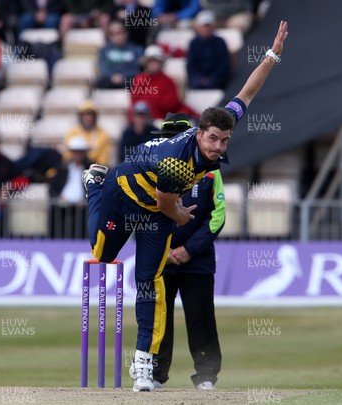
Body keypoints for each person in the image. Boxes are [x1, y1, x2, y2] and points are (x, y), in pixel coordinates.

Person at [82, 20, 288, 392]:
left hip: (155, 211)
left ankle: (143, 368)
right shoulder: (180, 160)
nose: (219, 147)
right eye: (214, 140)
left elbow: (247, 93)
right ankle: (93, 184)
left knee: (149, 284)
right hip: (123, 194)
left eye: (224, 141)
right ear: (199, 133)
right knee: (101, 254)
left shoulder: (216, 126)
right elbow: (167, 203)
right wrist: (180, 214)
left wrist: (272, 55)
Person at [149, 114, 225, 390]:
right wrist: (165, 248)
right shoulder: (152, 167)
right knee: (158, 317)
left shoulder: (210, 170)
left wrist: (188, 250)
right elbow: (143, 215)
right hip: (160, 259)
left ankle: (206, 375)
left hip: (198, 260)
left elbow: (217, 217)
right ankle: (155, 375)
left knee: (201, 317)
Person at [129, 45, 197, 120]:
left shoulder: (168, 81)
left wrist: (153, 105)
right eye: (150, 61)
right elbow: (134, 102)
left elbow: (173, 104)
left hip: (163, 119)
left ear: (161, 63)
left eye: (156, 61)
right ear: (146, 63)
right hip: (143, 118)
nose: (153, 64)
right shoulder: (139, 79)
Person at [187, 10, 230, 90]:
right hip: (198, 80)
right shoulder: (193, 43)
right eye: (204, 26)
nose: (206, 29)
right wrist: (199, 78)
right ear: (198, 27)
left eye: (208, 26)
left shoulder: (220, 42)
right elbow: (191, 65)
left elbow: (224, 64)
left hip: (217, 79)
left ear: (213, 26)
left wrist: (213, 78)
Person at [96, 20, 143, 89]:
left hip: (128, 80)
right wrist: (112, 76)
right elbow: (103, 67)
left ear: (125, 33)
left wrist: (123, 76)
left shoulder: (136, 50)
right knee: (101, 82)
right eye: (112, 33)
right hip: (110, 80)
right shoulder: (104, 50)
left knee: (138, 82)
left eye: (119, 33)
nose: (116, 36)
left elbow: (137, 68)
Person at [62, 100, 111, 166]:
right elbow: (66, 156)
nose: (88, 118)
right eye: (85, 115)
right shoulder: (72, 133)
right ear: (80, 117)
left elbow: (103, 161)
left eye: (91, 114)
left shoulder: (103, 135)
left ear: (95, 117)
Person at [53, 136, 92, 204]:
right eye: (75, 151)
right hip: (63, 206)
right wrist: (58, 197)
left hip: (82, 208)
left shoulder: (90, 170)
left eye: (80, 152)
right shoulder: (63, 169)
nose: (77, 155)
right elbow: (53, 187)